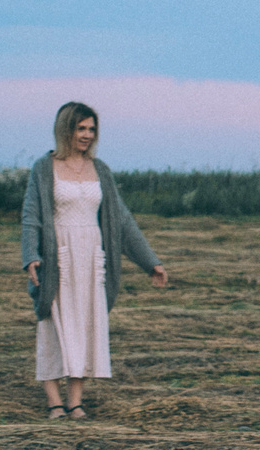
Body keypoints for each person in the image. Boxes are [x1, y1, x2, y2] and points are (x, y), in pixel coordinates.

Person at [21, 102, 165, 420]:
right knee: (54, 326)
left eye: (91, 129)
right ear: (65, 129)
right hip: (58, 258)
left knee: (86, 326)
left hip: (91, 258)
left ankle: (75, 401)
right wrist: (30, 255)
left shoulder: (100, 170)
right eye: (80, 128)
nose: (87, 135)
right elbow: (31, 215)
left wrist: (149, 262)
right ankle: (53, 401)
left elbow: (122, 221)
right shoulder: (44, 168)